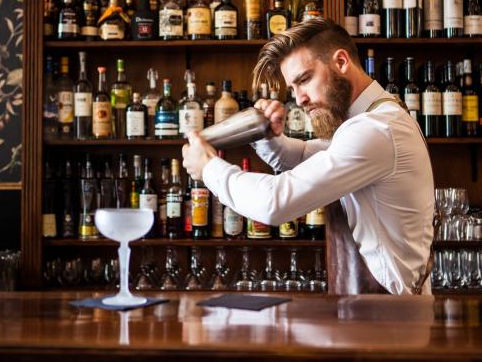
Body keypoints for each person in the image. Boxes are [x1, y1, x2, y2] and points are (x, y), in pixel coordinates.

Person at [182, 18, 434, 294]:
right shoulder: (371, 118)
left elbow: (274, 203)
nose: (299, 98)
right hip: (374, 311)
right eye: (293, 88)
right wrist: (268, 135)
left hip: (389, 320)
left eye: (305, 79)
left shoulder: (375, 129)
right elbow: (304, 154)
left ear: (340, 62)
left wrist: (208, 168)